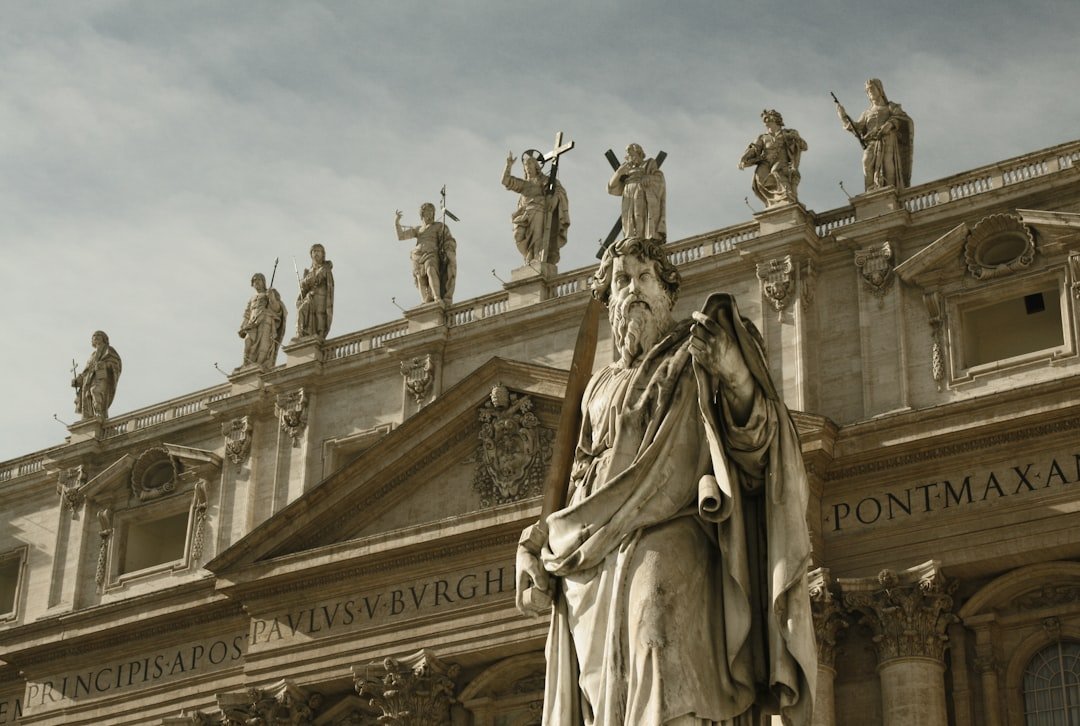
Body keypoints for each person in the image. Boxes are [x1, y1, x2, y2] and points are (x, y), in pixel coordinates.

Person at [516, 237, 816, 725]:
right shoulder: (598, 387)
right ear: (608, 299)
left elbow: (758, 445)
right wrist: (535, 544)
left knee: (656, 637)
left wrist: (734, 374)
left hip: (673, 525)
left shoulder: (696, 353)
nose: (632, 289)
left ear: (666, 292)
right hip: (594, 554)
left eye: (643, 278)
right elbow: (577, 487)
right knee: (606, 688)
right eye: (621, 281)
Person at [836, 78, 914, 191]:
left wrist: (889, 124)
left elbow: (904, 119)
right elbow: (856, 128)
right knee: (866, 162)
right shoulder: (867, 113)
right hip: (871, 142)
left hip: (888, 140)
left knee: (888, 165)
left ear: (880, 90)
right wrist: (843, 116)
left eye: (872, 88)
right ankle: (870, 191)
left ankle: (891, 191)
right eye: (867, 90)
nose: (869, 92)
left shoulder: (891, 107)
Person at [502, 151, 570, 265]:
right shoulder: (523, 184)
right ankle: (528, 255)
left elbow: (559, 190)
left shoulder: (544, 180)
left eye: (530, 164)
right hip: (524, 214)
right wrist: (508, 165)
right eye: (525, 165)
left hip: (538, 210)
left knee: (537, 238)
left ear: (536, 166)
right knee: (518, 235)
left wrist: (555, 198)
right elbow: (505, 181)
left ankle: (535, 259)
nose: (527, 168)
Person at [739, 110, 808, 208]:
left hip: (781, 160)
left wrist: (796, 139)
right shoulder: (762, 137)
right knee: (760, 180)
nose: (765, 121)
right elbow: (754, 149)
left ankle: (787, 198)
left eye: (768, 118)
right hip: (765, 162)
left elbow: (804, 146)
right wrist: (744, 159)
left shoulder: (788, 133)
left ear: (776, 119)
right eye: (764, 119)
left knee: (777, 173)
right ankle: (773, 204)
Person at [394, 203, 457, 304]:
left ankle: (437, 297)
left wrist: (447, 248)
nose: (430, 213)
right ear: (422, 214)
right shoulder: (418, 229)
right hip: (417, 255)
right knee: (420, 278)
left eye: (432, 211)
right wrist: (396, 222)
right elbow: (401, 236)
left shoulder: (439, 226)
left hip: (431, 253)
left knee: (431, 270)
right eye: (427, 211)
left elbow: (448, 239)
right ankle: (425, 302)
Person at [608, 142, 666, 242]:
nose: (630, 157)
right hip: (628, 194)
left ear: (638, 153)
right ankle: (630, 239)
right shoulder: (625, 168)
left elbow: (659, 178)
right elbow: (611, 187)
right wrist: (618, 173)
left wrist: (649, 177)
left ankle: (641, 240)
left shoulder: (649, 163)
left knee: (639, 215)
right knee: (628, 218)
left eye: (632, 154)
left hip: (641, 192)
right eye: (628, 155)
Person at [239, 272, 287, 369]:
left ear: (264, 282)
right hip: (252, 324)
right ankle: (246, 364)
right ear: (252, 284)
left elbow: (278, 309)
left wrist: (272, 298)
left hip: (266, 321)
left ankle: (260, 365)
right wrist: (242, 326)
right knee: (248, 341)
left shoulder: (270, 292)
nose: (256, 282)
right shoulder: (252, 298)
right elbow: (247, 314)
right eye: (254, 280)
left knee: (263, 346)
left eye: (259, 279)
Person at [72, 331, 122, 421]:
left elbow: (116, 363)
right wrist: (78, 379)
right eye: (94, 336)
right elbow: (86, 370)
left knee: (95, 390)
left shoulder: (109, 349)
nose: (95, 336)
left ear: (104, 338)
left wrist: (104, 364)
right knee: (87, 396)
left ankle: (99, 413)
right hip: (89, 379)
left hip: (101, 376)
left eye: (98, 335)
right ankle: (88, 418)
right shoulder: (93, 355)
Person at [296, 244, 334, 339]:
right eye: (314, 251)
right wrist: (303, 285)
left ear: (323, 254)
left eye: (318, 251)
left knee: (319, 315)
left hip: (321, 296)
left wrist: (306, 281)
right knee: (301, 310)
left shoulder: (325, 268)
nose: (316, 253)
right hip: (310, 296)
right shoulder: (309, 270)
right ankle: (300, 333)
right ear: (311, 254)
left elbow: (317, 279)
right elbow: (304, 287)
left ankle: (320, 334)